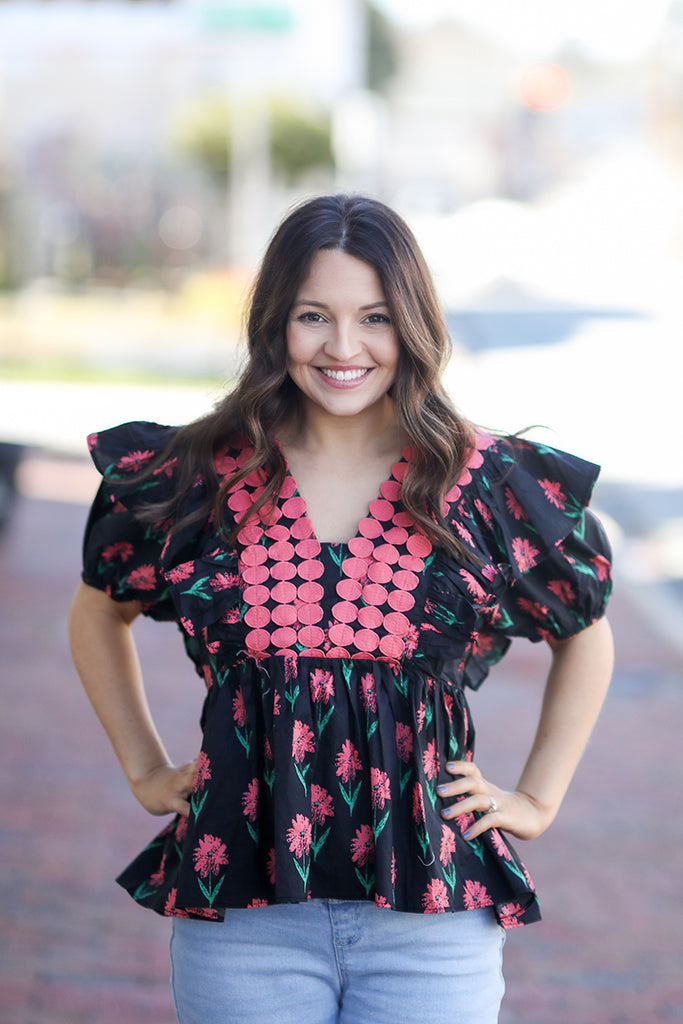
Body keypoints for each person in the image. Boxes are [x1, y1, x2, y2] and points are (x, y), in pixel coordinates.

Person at [69, 194, 614, 1024]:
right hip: (243, 915)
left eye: (376, 318)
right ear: (274, 325)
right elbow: (96, 611)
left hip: (430, 917)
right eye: (313, 316)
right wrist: (144, 768)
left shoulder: (489, 484)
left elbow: (584, 632)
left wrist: (536, 799)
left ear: (415, 326)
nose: (344, 347)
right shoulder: (194, 476)